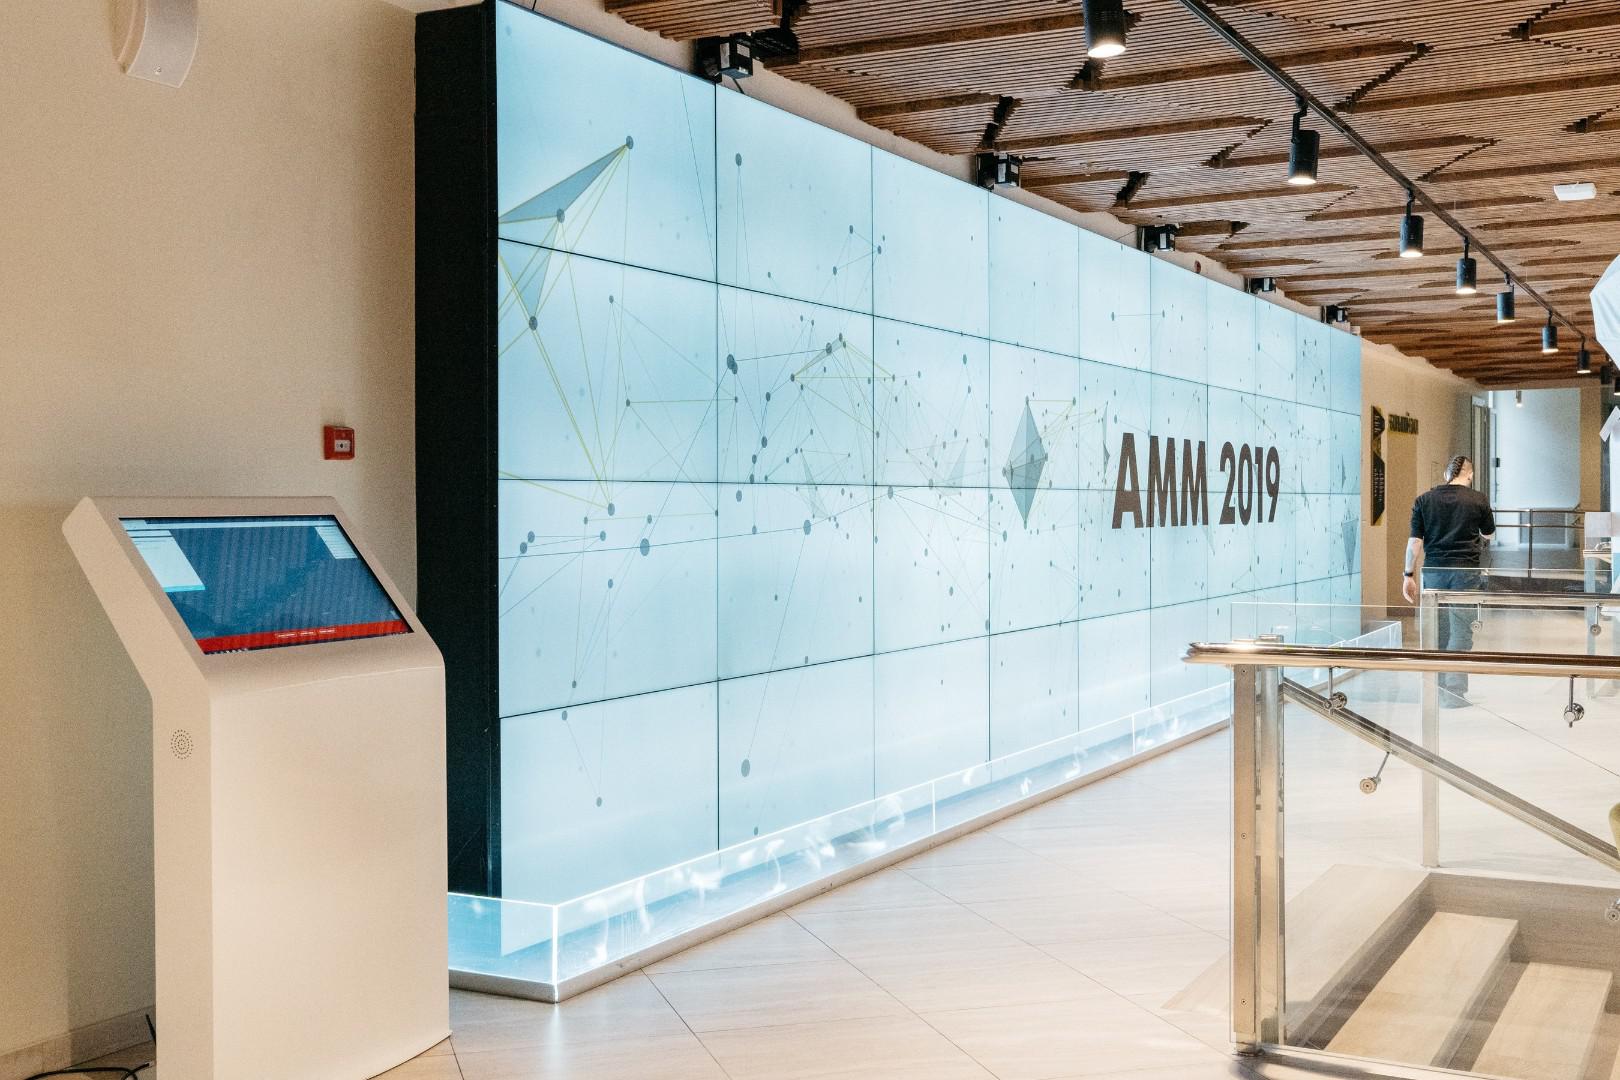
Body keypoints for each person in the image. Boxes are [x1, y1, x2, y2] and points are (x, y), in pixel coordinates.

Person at [1402, 454, 1496, 704]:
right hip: (1465, 572)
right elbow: (1489, 534)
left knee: (1437, 630)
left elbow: (1415, 542)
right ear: (1470, 474)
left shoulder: (1424, 500)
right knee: (1461, 631)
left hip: (1433, 571)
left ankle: (1436, 685)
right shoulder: (1478, 499)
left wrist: (1408, 574)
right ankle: (1454, 691)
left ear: (1446, 474)